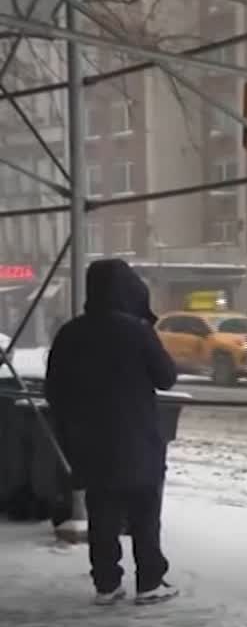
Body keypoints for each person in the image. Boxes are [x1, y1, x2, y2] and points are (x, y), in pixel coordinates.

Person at [45, 259, 179, 606]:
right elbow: (166, 377)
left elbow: (54, 391)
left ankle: (106, 584)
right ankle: (149, 582)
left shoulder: (70, 333)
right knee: (145, 514)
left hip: (89, 445)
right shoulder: (136, 331)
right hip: (138, 442)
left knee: (102, 513)